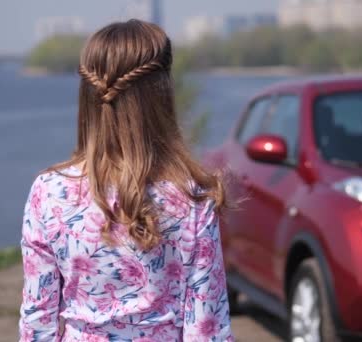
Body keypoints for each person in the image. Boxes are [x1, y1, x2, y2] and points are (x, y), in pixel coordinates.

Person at [19, 19, 233, 342]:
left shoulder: (48, 193)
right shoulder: (194, 200)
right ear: (161, 96)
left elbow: (37, 323)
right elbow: (207, 330)